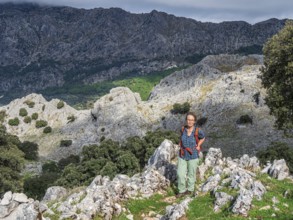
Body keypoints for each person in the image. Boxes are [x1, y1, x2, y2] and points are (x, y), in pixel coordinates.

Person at [176, 112, 205, 198]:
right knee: (180, 173)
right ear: (186, 120)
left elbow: (203, 137)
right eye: (188, 119)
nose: (189, 121)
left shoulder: (197, 131)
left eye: (192, 120)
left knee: (191, 174)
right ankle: (181, 190)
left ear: (194, 121)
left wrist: (198, 145)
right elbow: (181, 138)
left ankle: (190, 190)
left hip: (193, 155)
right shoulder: (182, 129)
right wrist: (179, 144)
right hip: (182, 154)